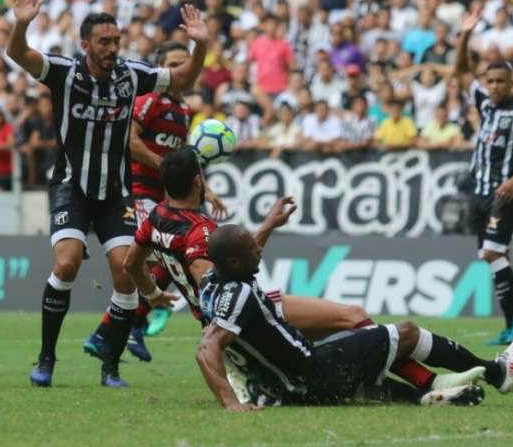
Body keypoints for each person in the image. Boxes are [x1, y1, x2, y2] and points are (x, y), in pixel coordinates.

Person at [124, 148, 483, 399]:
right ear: (198, 180)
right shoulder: (199, 231)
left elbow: (130, 264)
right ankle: (428, 382)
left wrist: (153, 294)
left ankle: (420, 385)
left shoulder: (155, 217)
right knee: (353, 318)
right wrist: (266, 228)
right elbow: (219, 283)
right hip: (247, 313)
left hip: (226, 317)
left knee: (339, 332)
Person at [4, 0, 208, 388]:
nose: (113, 48)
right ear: (85, 45)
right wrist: (21, 25)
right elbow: (17, 54)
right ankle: (46, 358)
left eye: (116, 40)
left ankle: (110, 365)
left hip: (115, 193)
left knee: (125, 272)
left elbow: (182, 77)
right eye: (104, 41)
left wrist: (201, 46)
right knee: (65, 263)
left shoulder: (132, 76)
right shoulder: (63, 71)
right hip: (71, 187)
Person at [196, 223, 513, 410]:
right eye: (251, 249)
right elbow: (206, 349)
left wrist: (268, 223)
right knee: (406, 332)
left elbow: (225, 335)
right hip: (312, 373)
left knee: (355, 357)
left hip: (284, 390)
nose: (258, 249)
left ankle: (425, 395)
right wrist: (231, 404)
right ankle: (496, 371)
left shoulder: (211, 283)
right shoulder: (238, 295)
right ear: (236, 263)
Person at [103, 41, 227, 356]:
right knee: (160, 254)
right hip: (140, 190)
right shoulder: (150, 100)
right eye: (172, 64)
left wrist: (207, 190)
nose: (180, 70)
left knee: (170, 255)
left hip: (165, 196)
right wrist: (161, 164)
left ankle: (131, 325)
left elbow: (184, 158)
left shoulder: (184, 110)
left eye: (184, 63)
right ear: (161, 70)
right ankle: (122, 327)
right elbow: (129, 141)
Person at [455, 8, 513, 345]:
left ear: (512, 84)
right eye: (490, 81)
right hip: (480, 192)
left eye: (500, 82)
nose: (494, 86)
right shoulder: (484, 105)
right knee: (496, 255)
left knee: (492, 254)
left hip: (504, 192)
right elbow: (461, 72)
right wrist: (465, 34)